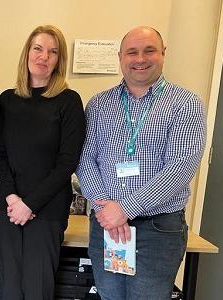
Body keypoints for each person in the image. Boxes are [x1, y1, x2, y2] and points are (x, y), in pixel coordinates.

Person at [76, 26, 206, 300]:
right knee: (109, 296)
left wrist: (125, 209)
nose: (140, 59)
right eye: (132, 52)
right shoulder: (99, 105)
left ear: (163, 53)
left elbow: (180, 167)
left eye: (149, 50)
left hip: (158, 229)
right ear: (120, 56)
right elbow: (85, 159)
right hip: (106, 224)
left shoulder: (186, 104)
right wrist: (106, 207)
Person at [0, 24, 86, 299]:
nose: (43, 56)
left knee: (37, 290)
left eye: (52, 51)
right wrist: (12, 198)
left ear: (59, 60)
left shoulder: (68, 102)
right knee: (9, 289)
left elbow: (68, 161)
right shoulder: (7, 100)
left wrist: (30, 205)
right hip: (9, 208)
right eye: (38, 48)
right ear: (27, 53)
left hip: (47, 211)